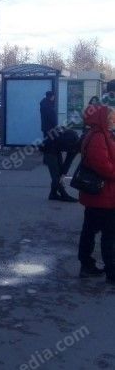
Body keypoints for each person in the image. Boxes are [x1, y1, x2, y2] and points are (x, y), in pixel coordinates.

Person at [76, 104, 115, 282]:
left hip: (97, 195)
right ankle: (111, 272)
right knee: (109, 235)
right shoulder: (99, 137)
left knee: (90, 231)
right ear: (102, 119)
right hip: (103, 196)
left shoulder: (98, 134)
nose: (113, 120)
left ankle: (87, 265)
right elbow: (103, 166)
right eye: (111, 117)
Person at [42, 126, 79, 202]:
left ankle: (53, 194)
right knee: (56, 176)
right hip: (49, 149)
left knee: (59, 174)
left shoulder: (76, 144)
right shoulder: (74, 144)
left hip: (56, 148)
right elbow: (68, 161)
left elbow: (68, 162)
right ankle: (64, 195)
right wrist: (61, 175)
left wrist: (63, 173)